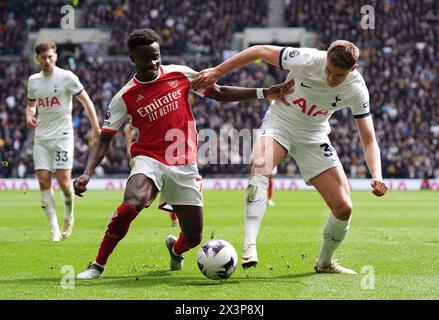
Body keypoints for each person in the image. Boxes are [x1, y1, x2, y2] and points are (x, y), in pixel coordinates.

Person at [73, 28, 294, 279]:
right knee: (131, 203)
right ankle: (98, 265)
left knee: (193, 237)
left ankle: (175, 250)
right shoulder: (124, 97)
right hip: (149, 158)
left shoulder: (180, 74)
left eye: (156, 56)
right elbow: (104, 139)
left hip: (184, 163)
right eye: (146, 58)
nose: (153, 62)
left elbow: (218, 93)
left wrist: (263, 92)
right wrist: (87, 173)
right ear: (133, 58)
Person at [193, 40, 389, 274]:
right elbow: (259, 51)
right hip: (280, 123)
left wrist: (377, 174)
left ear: (353, 69)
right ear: (325, 58)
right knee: (261, 165)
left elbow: (368, 139)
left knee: (344, 207)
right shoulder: (307, 58)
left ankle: (325, 263)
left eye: (337, 75)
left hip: (314, 136)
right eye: (327, 70)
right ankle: (249, 244)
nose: (329, 78)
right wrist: (217, 71)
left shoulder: (357, 89)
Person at [25, 41, 101, 241]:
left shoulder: (67, 77)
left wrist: (95, 127)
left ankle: (69, 216)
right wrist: (29, 114)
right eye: (43, 57)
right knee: (43, 180)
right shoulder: (33, 81)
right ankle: (54, 229)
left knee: (64, 182)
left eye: (50, 56)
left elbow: (86, 101)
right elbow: (31, 105)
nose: (47, 61)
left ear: (55, 57)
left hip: (63, 136)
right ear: (38, 59)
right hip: (41, 137)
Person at [124, 122, 179, 227]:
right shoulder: (149, 114)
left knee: (166, 187)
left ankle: (175, 219)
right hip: (147, 156)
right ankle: (122, 219)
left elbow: (128, 129)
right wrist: (128, 147)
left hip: (161, 154)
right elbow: (128, 128)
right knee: (151, 190)